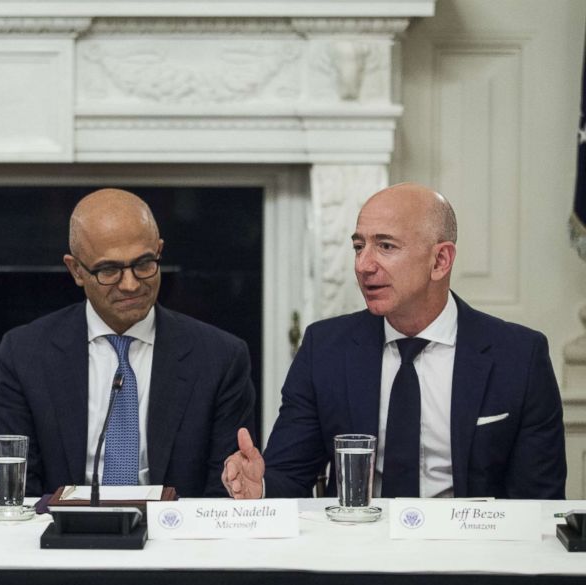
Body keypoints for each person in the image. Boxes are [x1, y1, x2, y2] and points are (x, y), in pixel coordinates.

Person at [222, 183, 566, 500]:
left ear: (440, 260)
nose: (363, 265)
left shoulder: (518, 356)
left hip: (469, 556)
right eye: (359, 246)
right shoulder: (325, 349)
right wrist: (261, 485)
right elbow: (290, 475)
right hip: (356, 551)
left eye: (385, 246)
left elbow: (537, 502)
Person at [0, 188, 256, 497]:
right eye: (109, 270)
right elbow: (17, 492)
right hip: (62, 535)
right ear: (76, 270)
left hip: (177, 536)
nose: (130, 285)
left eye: (144, 264)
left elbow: (223, 493)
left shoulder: (220, 358)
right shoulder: (24, 354)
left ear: (159, 251)